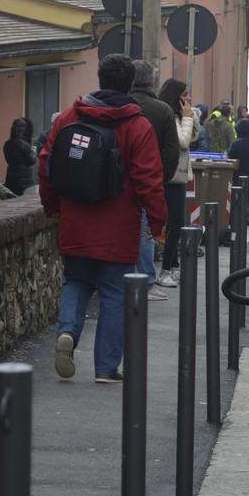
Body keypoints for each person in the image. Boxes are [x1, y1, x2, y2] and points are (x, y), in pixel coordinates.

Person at [38, 53, 167, 384]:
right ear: (130, 84)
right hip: (118, 226)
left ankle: (67, 333)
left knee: (76, 281)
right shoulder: (137, 126)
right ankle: (106, 368)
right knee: (113, 295)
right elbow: (149, 180)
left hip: (76, 220)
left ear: (99, 79)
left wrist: (51, 205)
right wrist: (157, 221)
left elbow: (47, 164)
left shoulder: (69, 117)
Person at [130, 60, 180, 300]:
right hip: (150, 179)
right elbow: (172, 152)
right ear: (151, 82)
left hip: (121, 180)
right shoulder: (162, 110)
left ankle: (127, 279)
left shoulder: (122, 104)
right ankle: (147, 282)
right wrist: (162, 178)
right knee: (146, 230)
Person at [155, 77, 198, 288]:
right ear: (175, 96)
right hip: (172, 177)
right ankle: (165, 271)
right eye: (184, 94)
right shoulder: (170, 117)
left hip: (176, 175)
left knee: (174, 224)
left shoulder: (177, 115)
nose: (188, 98)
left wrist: (190, 117)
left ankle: (173, 268)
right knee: (176, 224)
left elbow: (193, 137)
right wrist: (187, 118)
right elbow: (183, 141)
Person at [3, 117, 37, 195]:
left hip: (11, 176)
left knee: (13, 197)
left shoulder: (7, 144)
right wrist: (34, 152)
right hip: (25, 179)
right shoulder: (25, 145)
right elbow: (31, 161)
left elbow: (7, 160)